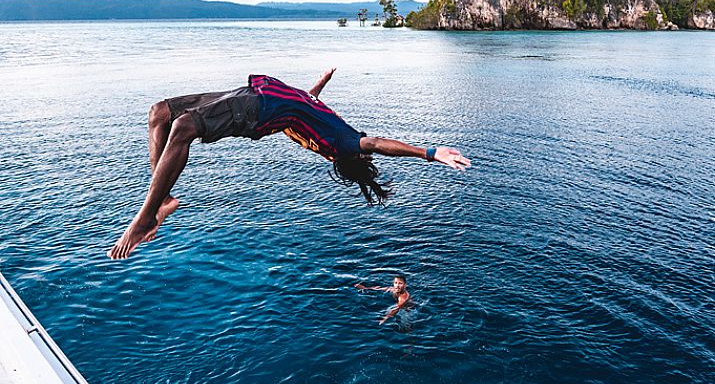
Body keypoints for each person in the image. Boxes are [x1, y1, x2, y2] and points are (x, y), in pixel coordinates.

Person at [108, 69, 470, 259]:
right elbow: (308, 102)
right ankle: (165, 199)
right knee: (160, 113)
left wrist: (429, 153)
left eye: (362, 152)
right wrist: (320, 84)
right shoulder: (329, 131)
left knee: (184, 126)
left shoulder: (344, 142)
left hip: (259, 106)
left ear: (353, 158)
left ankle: (145, 217)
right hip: (254, 92)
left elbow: (376, 143)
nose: (364, 143)